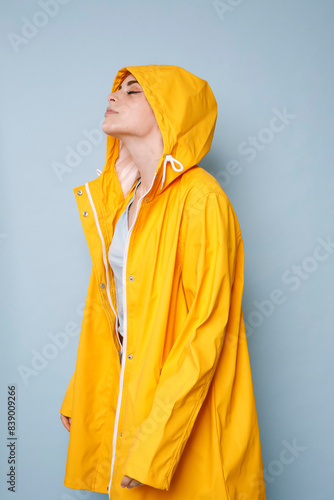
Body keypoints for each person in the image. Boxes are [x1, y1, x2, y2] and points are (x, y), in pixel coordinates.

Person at [59, 64, 266, 499]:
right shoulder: (124, 205)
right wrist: (82, 390)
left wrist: (154, 444)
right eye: (116, 90)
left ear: (169, 111)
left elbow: (204, 333)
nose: (114, 96)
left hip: (179, 426)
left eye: (133, 91)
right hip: (134, 402)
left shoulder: (201, 199)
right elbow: (112, 311)